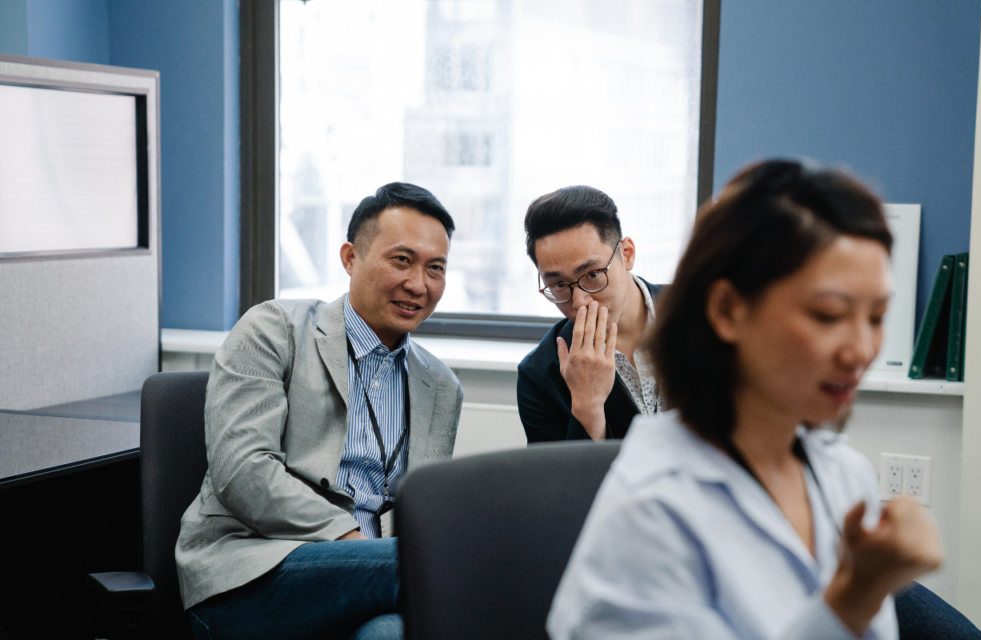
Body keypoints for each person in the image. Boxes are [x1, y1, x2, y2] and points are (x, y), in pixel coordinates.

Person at [548, 161, 981, 639]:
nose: (861, 349)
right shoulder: (652, 509)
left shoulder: (844, 474)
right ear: (728, 311)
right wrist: (855, 595)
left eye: (878, 316)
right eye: (828, 314)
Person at [176, 183, 464, 640]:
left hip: (374, 582)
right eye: (402, 260)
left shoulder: (441, 387)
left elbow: (419, 509)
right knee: (442, 567)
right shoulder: (274, 329)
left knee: (391, 634)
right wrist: (355, 542)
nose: (419, 284)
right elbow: (242, 471)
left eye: (436, 269)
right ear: (350, 258)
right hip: (252, 571)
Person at [517, 186, 662, 442]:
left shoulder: (700, 313)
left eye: (593, 275)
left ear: (626, 254)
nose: (580, 302)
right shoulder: (540, 375)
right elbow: (563, 480)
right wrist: (587, 406)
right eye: (559, 285)